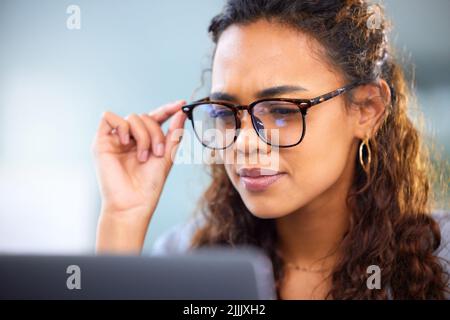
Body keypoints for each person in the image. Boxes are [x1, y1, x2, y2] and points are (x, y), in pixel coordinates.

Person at [92, 0, 449, 299]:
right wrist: (123, 218)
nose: (244, 143)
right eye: (224, 113)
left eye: (281, 111)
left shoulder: (441, 259)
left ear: (367, 109)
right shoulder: (186, 257)